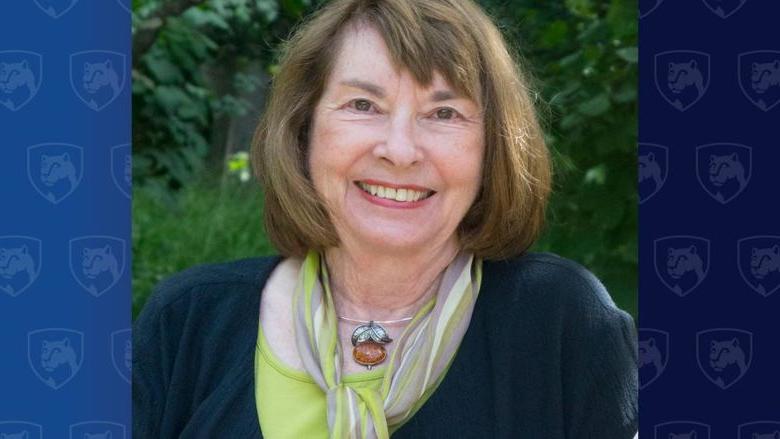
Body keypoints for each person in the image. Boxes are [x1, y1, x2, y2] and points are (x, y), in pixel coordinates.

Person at [132, 0, 638, 437]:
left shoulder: (561, 323)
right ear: (304, 130)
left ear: (492, 148)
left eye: (444, 114)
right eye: (362, 104)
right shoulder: (189, 320)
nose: (399, 150)